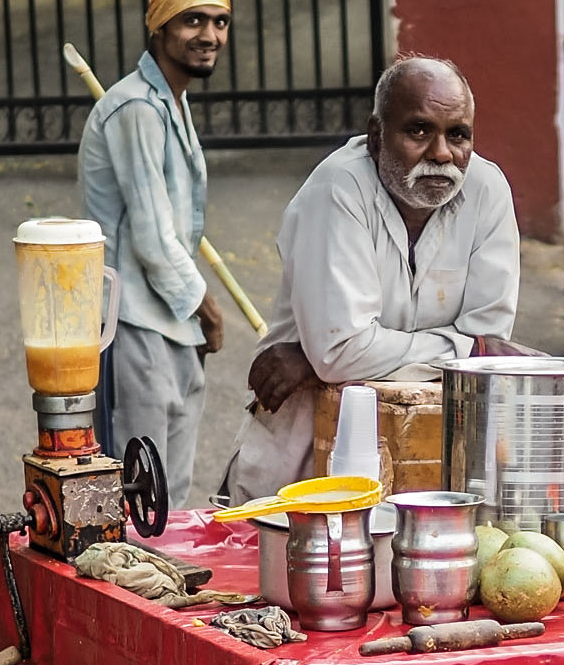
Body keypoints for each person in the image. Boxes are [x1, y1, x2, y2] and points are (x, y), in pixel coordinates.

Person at [225, 55, 528, 503]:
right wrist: (464, 348)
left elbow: (487, 341)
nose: (442, 154)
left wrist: (317, 360)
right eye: (419, 131)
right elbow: (345, 350)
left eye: (457, 135)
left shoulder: (487, 189)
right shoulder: (337, 189)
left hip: (430, 462)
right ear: (375, 136)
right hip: (304, 462)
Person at [78, 0, 232, 508]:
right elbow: (151, 236)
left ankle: (163, 593)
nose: (209, 34)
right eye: (192, 20)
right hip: (132, 320)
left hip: (171, 322)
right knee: (138, 491)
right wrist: (204, 305)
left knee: (172, 491)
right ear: (159, 26)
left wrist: (191, 314)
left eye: (218, 21)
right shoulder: (134, 109)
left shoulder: (171, 104)